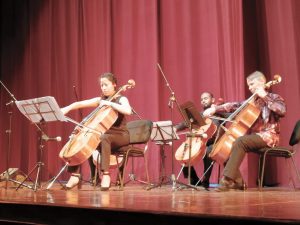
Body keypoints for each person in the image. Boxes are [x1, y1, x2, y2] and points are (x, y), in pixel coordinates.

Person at [203, 71, 286, 191]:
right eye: (248, 85)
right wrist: (215, 108)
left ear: (262, 82)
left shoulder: (274, 97)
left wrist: (265, 96)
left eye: (252, 84)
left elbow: (282, 111)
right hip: (256, 137)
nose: (250, 87)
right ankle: (238, 182)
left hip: (270, 136)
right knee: (228, 146)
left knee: (241, 141)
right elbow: (235, 105)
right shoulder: (253, 101)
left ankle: (227, 179)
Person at [61, 72, 132, 191]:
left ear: (114, 85)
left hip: (121, 135)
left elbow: (128, 110)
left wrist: (110, 103)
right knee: (84, 140)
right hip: (105, 135)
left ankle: (106, 174)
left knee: (104, 137)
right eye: (101, 85)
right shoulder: (101, 100)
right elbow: (80, 103)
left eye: (106, 85)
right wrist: (66, 108)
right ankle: (75, 175)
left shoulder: (121, 98)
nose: (103, 88)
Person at [176, 92, 226, 189]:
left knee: (208, 151)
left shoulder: (219, 113)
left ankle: (205, 181)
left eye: (206, 98)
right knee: (185, 151)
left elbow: (230, 113)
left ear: (213, 100)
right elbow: (186, 123)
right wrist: (176, 128)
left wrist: (218, 108)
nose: (203, 101)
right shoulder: (200, 114)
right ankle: (193, 179)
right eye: (202, 99)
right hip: (202, 141)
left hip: (216, 143)